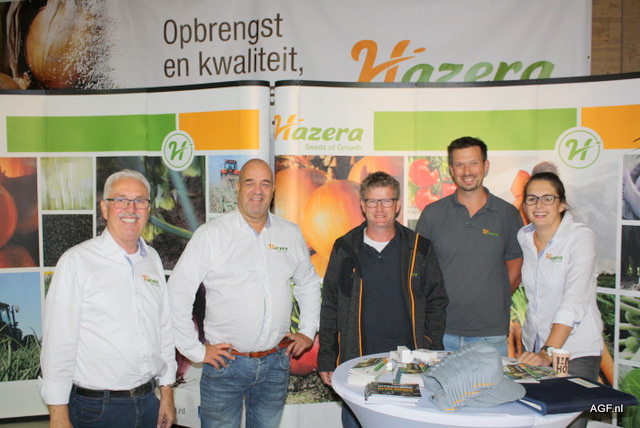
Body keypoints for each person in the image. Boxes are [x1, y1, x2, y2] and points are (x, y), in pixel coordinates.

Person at [168, 158, 321, 428]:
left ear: (273, 190)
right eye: (250, 183)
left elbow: (308, 283)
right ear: (238, 188)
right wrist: (194, 350)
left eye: (265, 184)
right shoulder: (211, 235)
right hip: (225, 366)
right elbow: (177, 292)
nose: (257, 191)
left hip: (276, 364)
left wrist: (308, 330)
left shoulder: (290, 233)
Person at [38, 169, 176, 428]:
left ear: (149, 209)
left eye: (140, 201)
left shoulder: (152, 259)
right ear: (104, 208)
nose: (131, 209)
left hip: (148, 402)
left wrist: (166, 392)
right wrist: (58, 415)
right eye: (121, 200)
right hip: (97, 409)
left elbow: (164, 329)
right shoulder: (77, 262)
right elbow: (58, 346)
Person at [318, 171, 448, 428]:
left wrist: (429, 344)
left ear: (397, 205)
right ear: (362, 205)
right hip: (357, 364)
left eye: (387, 200)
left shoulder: (419, 247)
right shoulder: (344, 248)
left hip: (408, 365)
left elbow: (437, 301)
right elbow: (331, 305)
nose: (379, 208)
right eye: (372, 201)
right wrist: (327, 358)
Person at [416, 136, 523, 356]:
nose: (467, 171)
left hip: (489, 335)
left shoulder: (507, 214)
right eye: (460, 164)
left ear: (486, 166)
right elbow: (419, 270)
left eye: (474, 163)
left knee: (490, 382)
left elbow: (516, 268)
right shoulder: (432, 214)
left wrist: (488, 299)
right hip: (440, 332)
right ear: (451, 170)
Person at [517, 172, 603, 428]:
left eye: (548, 198)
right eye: (532, 199)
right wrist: (539, 352)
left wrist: (548, 352)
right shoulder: (523, 237)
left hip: (573, 351)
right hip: (536, 348)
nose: (539, 205)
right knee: (538, 420)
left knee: (569, 421)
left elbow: (573, 300)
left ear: (562, 204)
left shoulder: (580, 237)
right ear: (524, 205)